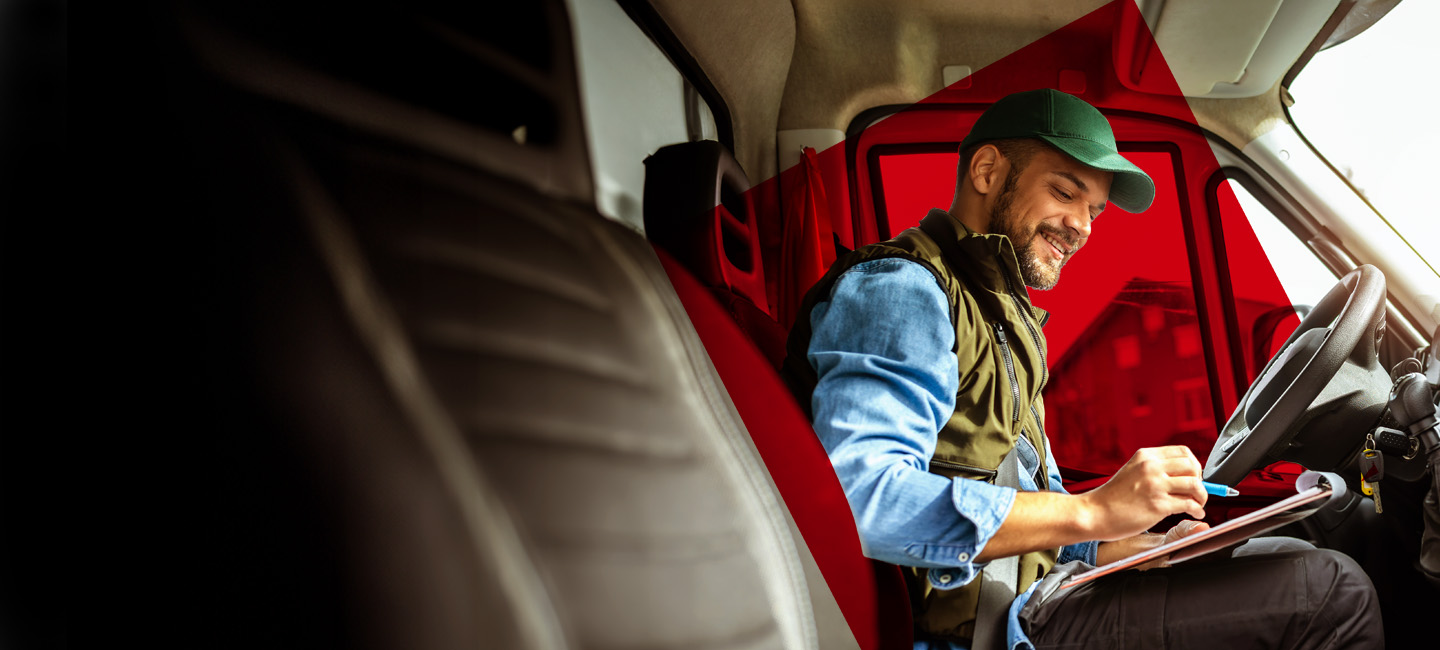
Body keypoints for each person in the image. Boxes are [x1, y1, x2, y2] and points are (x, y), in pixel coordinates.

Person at [779, 89, 1381, 650]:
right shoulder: (903, 292)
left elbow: (1025, 490)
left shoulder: (1001, 311)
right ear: (987, 172)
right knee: (1332, 589)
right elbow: (861, 500)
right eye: (1065, 194)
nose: (1083, 227)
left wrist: (1121, 546)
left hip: (1039, 589)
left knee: (1283, 553)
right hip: (996, 624)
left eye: (1093, 209)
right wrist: (1093, 509)